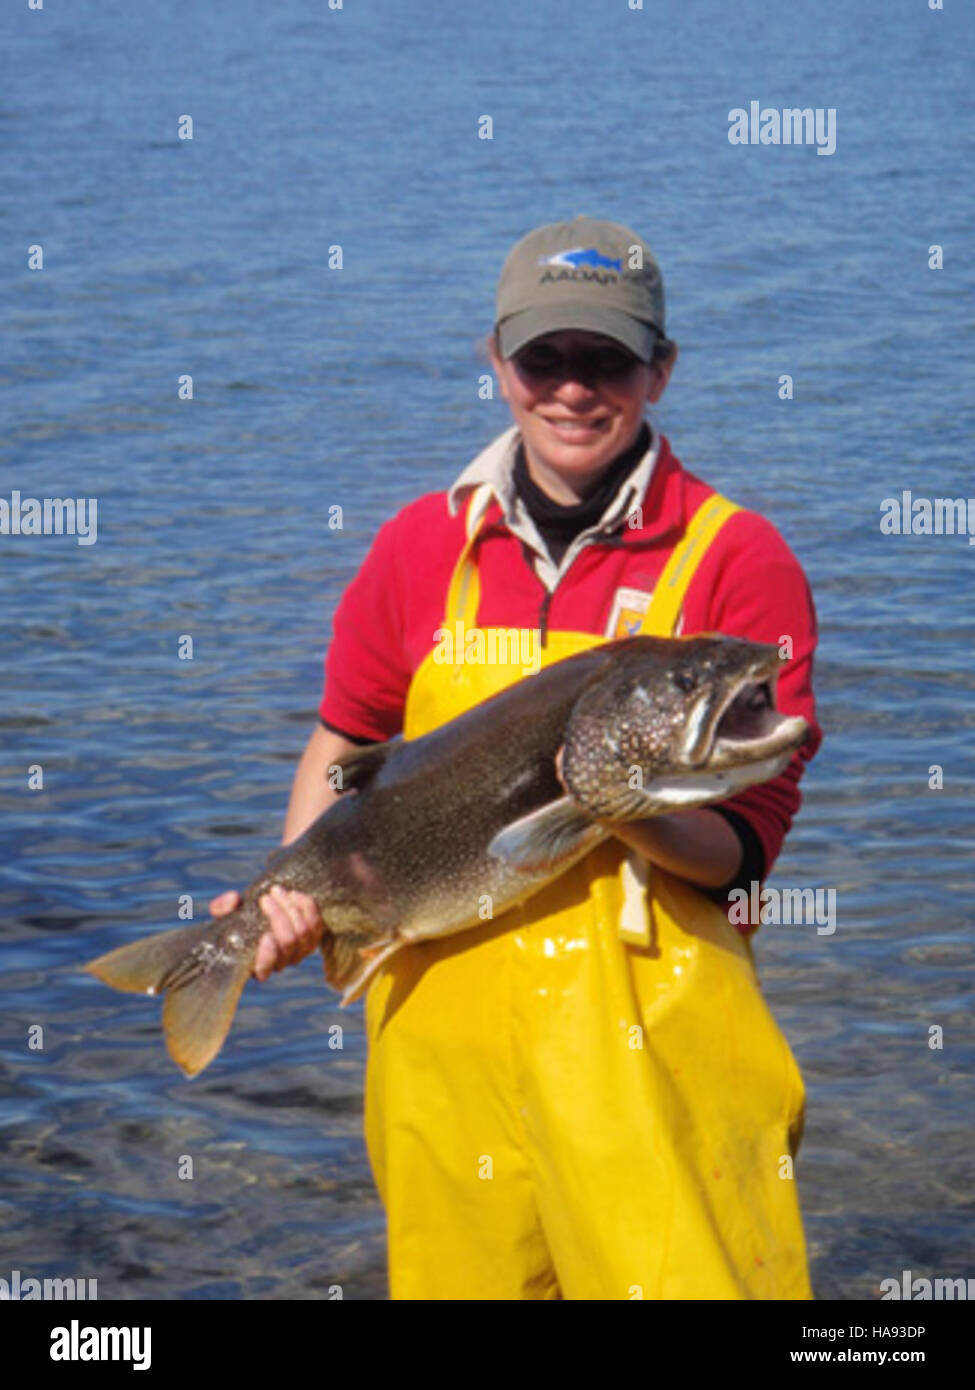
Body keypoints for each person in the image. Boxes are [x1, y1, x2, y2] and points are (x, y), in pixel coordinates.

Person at [212, 215, 822, 1300]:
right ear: (498, 365)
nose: (573, 389)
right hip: (442, 1071)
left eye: (608, 361)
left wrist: (615, 796)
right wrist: (286, 893)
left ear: (661, 371)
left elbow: (746, 848)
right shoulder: (418, 545)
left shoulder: (740, 559)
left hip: (656, 1076)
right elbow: (347, 737)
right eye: (545, 358)